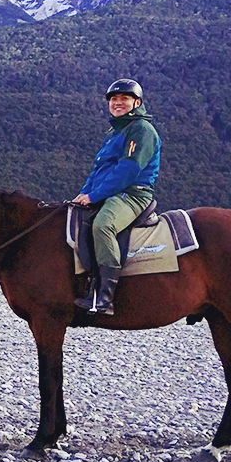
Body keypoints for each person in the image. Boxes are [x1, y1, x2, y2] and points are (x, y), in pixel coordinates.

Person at [72, 78, 160, 315]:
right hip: (111, 191)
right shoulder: (115, 131)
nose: (118, 103)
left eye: (124, 98)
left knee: (103, 225)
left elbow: (128, 170)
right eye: (114, 99)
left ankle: (105, 296)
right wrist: (84, 193)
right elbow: (99, 169)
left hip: (133, 193)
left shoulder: (141, 130)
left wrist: (95, 195)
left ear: (137, 102)